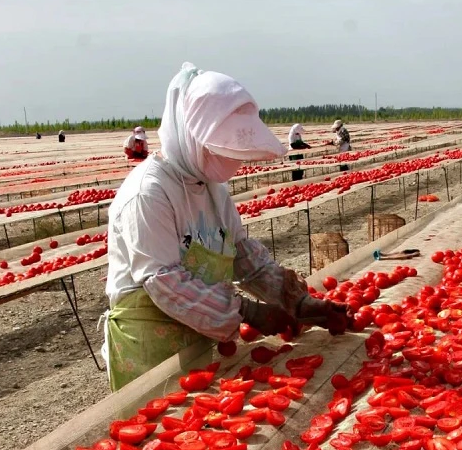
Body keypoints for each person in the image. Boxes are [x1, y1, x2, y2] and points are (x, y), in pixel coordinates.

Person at [104, 62, 345, 391]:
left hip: (199, 329)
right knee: (156, 431)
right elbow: (162, 281)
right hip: (149, 340)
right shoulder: (149, 194)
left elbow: (243, 257)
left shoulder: (213, 189)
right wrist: (246, 311)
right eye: (221, 148)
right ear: (190, 135)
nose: (233, 160)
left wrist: (297, 301)